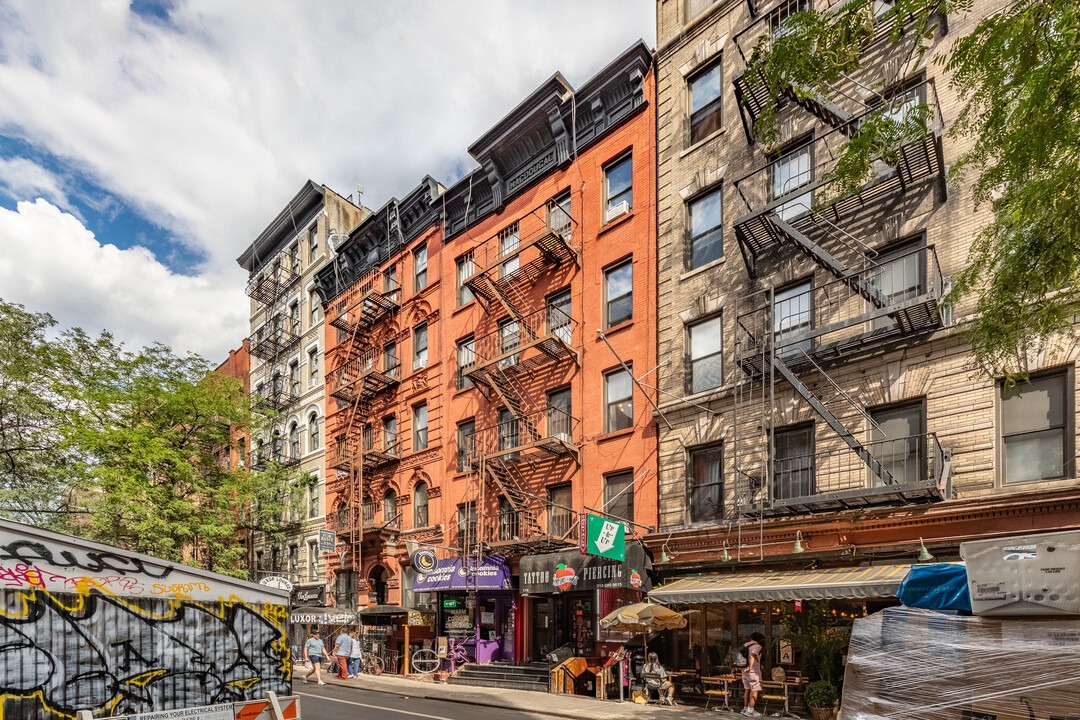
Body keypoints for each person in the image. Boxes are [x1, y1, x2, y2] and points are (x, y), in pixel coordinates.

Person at [741, 632, 765, 717]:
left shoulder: (746, 645)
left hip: (744, 671)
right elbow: (753, 655)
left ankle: (745, 708)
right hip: (753, 672)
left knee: (747, 690)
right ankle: (750, 710)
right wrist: (750, 667)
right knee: (754, 691)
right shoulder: (757, 646)